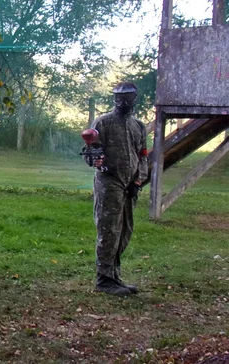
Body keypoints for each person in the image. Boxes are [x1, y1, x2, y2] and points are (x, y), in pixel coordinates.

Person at [83, 81, 148, 297]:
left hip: (130, 185)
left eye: (126, 98)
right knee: (108, 231)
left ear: (134, 99)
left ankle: (114, 275)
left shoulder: (138, 126)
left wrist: (138, 181)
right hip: (109, 183)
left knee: (125, 232)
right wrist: (96, 158)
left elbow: (143, 156)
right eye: (118, 98)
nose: (121, 102)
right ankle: (104, 279)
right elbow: (91, 152)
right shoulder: (103, 122)